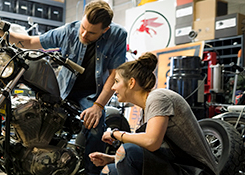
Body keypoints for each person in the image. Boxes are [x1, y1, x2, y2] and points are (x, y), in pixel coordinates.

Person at [0, 1, 127, 174]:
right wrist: (2, 31)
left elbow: (115, 74)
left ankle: (91, 172)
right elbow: (30, 41)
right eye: (83, 27)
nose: (83, 34)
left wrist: (98, 106)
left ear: (105, 30)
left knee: (95, 128)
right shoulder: (69, 30)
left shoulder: (118, 35)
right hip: (63, 89)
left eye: (91, 32)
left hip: (91, 95)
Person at [89, 52, 218, 175]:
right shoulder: (145, 110)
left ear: (131, 83)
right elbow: (152, 152)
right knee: (109, 170)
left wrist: (115, 133)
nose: (113, 87)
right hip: (176, 166)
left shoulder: (158, 98)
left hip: (196, 170)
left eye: (116, 81)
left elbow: (152, 142)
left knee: (126, 150)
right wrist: (112, 158)